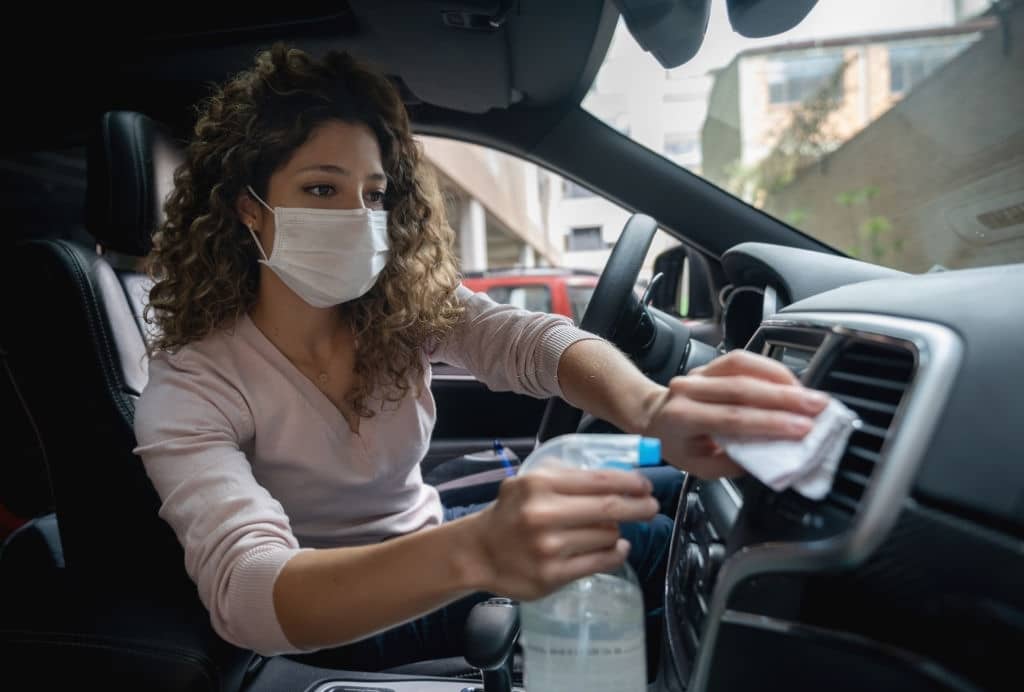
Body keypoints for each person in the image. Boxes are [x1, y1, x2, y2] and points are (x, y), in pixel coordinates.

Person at [133, 43, 829, 672]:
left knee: (678, 494)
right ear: (249, 209)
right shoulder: (193, 381)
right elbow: (249, 598)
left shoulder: (392, 309)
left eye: (373, 196)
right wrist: (477, 550)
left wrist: (655, 407)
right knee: (645, 542)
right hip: (344, 615)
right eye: (322, 189)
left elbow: (531, 341)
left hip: (429, 538)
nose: (356, 216)